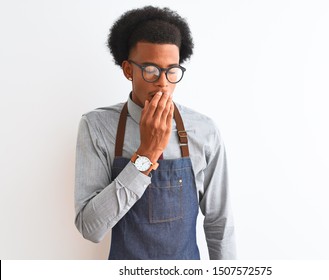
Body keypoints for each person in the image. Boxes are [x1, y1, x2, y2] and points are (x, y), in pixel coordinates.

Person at [74, 5, 236, 260]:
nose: (163, 82)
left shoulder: (204, 130)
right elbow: (90, 228)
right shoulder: (97, 127)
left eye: (171, 70)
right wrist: (146, 154)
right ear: (129, 70)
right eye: (151, 70)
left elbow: (219, 224)